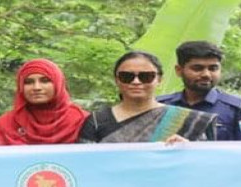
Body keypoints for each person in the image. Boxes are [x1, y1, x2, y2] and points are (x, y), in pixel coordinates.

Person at [79, 51, 217, 143]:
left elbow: (204, 164)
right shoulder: (97, 121)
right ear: (117, 80)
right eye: (127, 76)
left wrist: (188, 150)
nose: (136, 82)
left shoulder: (187, 121)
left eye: (146, 77)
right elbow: (87, 163)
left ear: (159, 79)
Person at [156, 41, 241, 140]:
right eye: (197, 68)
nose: (206, 74)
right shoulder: (161, 106)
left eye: (213, 68)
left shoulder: (240, 109)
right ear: (179, 70)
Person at [0, 59, 87, 146]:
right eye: (29, 82)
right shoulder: (7, 124)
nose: (36, 88)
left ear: (58, 84)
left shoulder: (81, 121)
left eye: (45, 81)